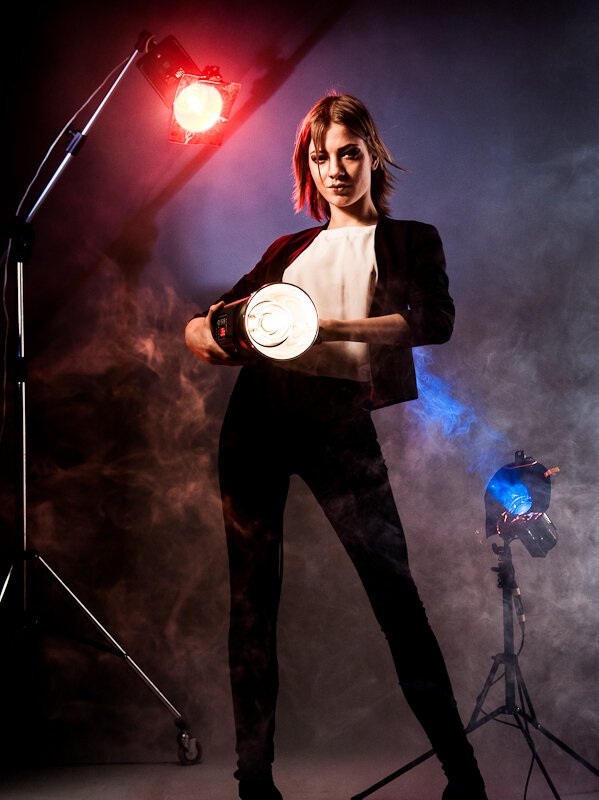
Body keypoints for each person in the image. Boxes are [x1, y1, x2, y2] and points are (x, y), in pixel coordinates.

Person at [185, 94, 487, 800]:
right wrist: (204, 335)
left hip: (337, 419)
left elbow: (432, 322)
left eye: (348, 153)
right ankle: (254, 783)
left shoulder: (410, 239)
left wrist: (325, 329)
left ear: (372, 156)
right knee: (251, 601)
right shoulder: (285, 251)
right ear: (308, 167)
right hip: (257, 417)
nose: (334, 170)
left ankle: (464, 778)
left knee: (395, 597)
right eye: (320, 157)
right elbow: (211, 324)